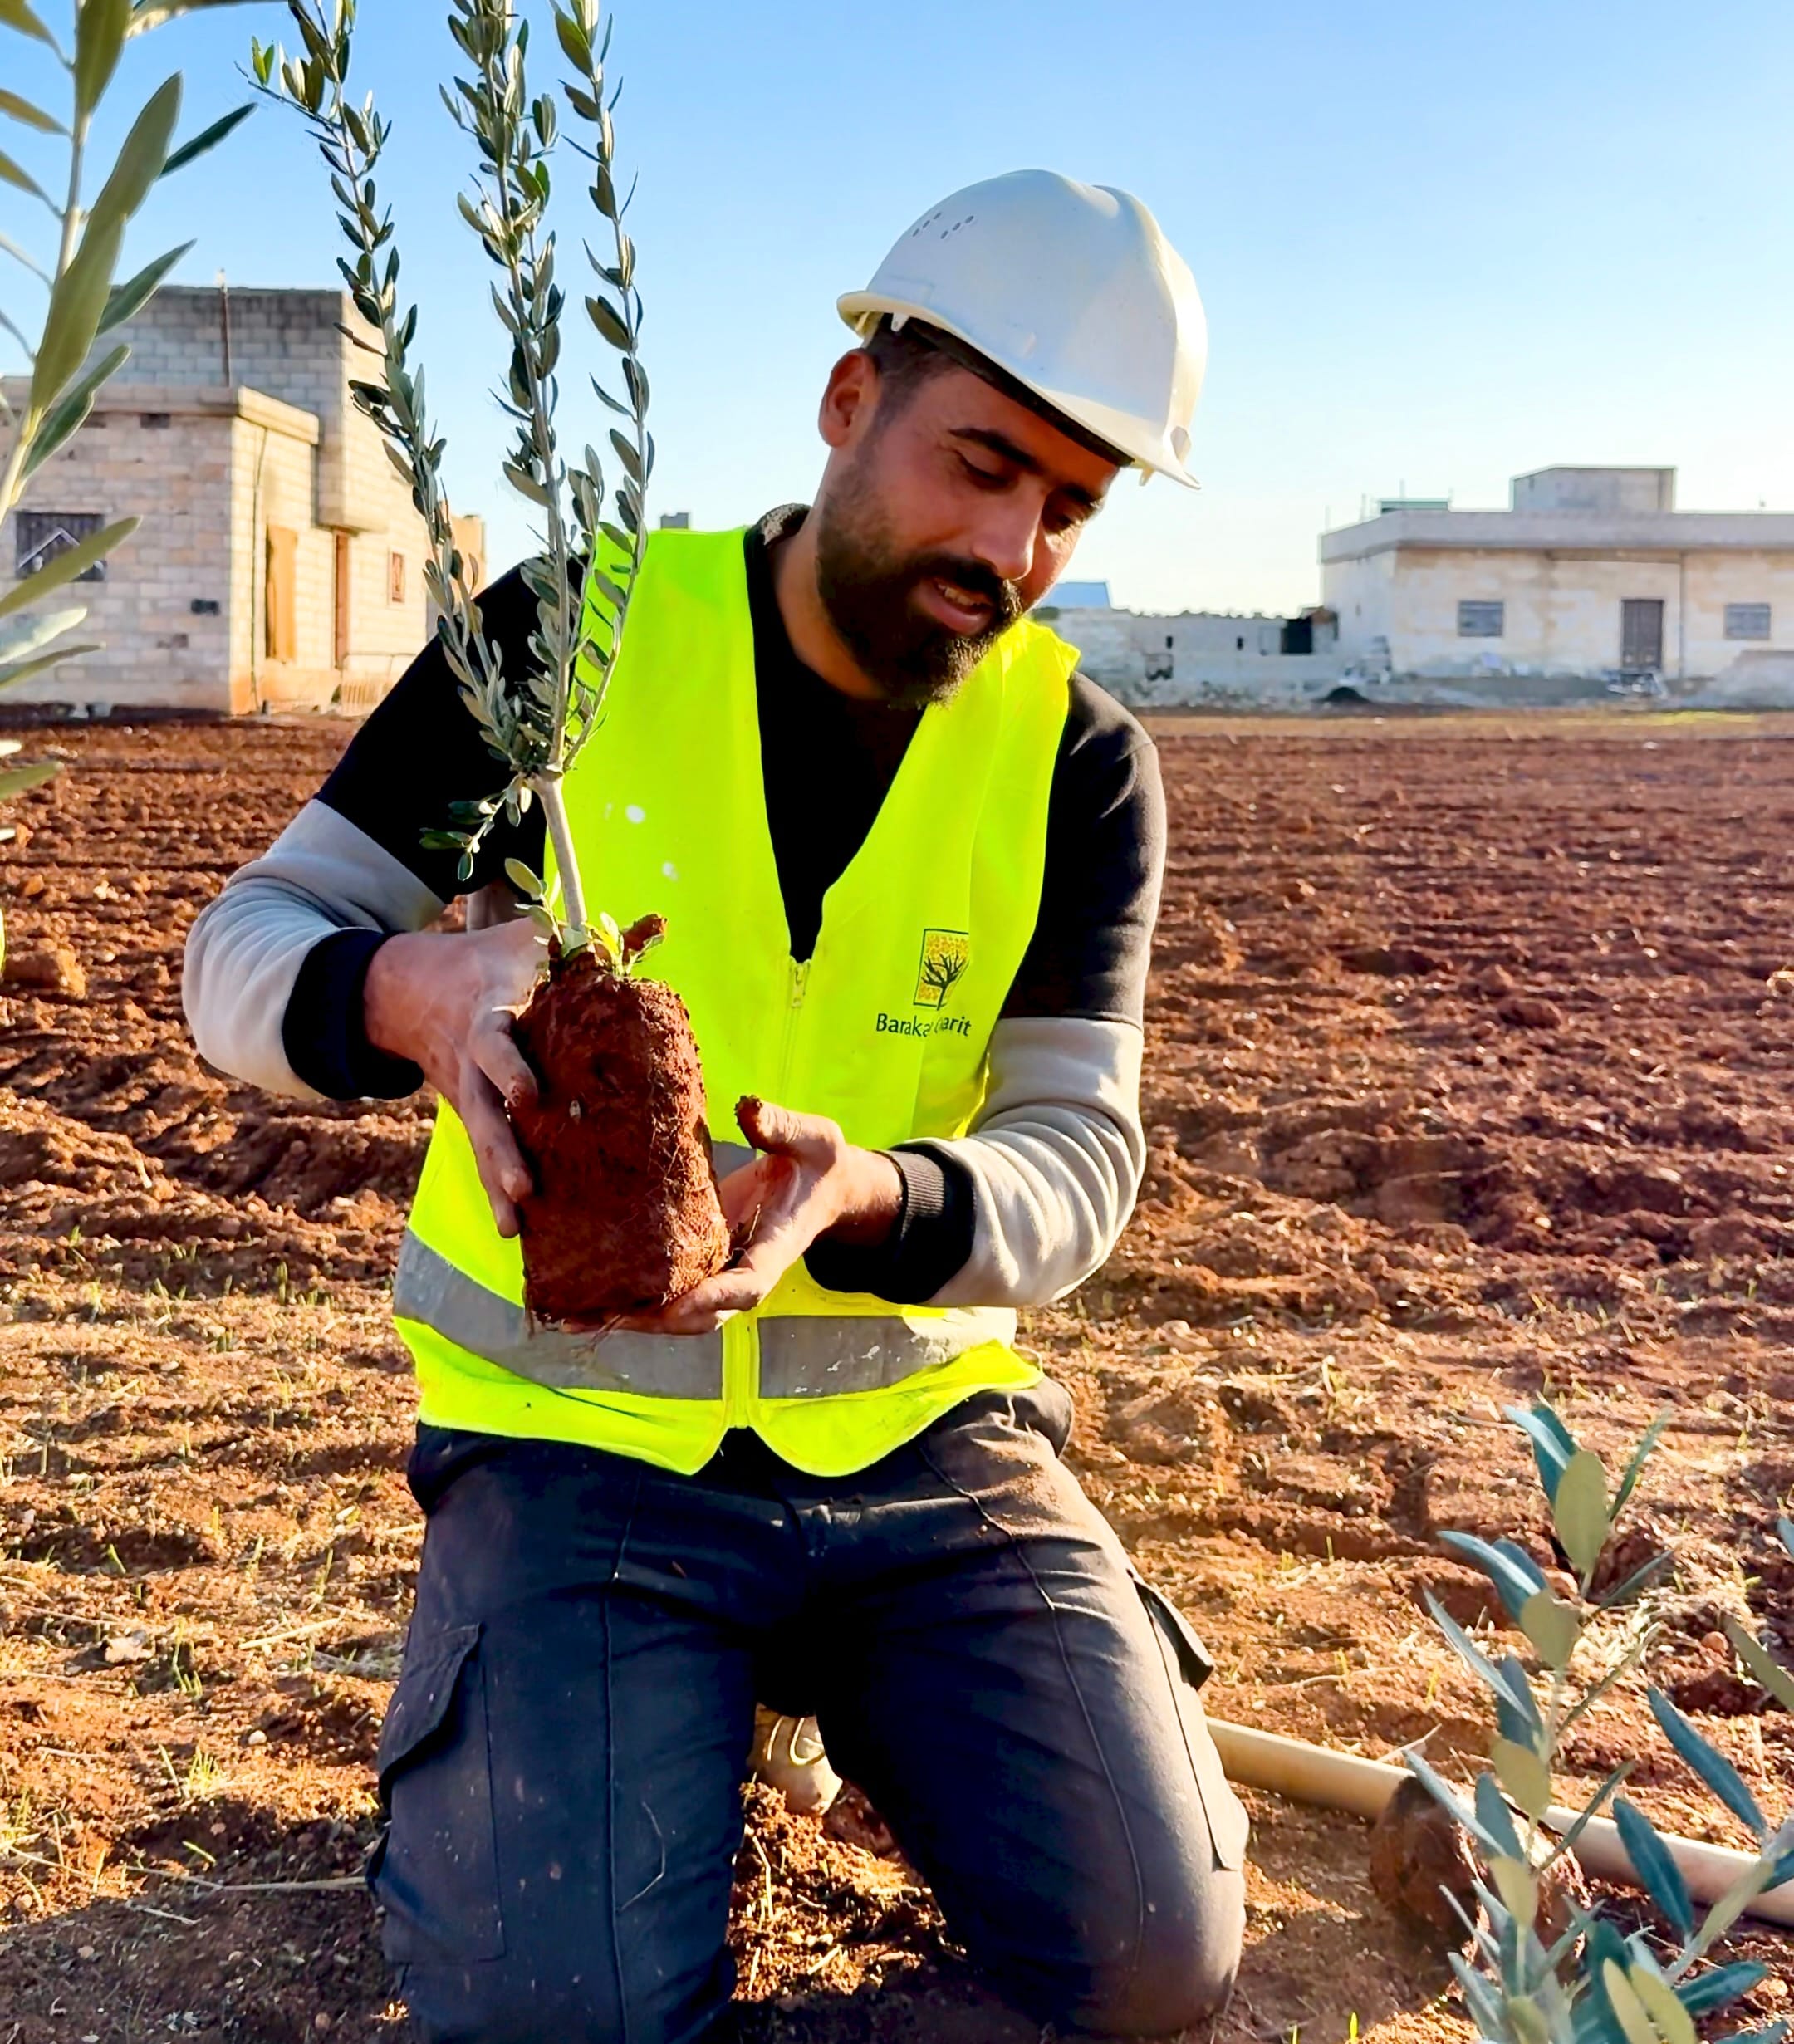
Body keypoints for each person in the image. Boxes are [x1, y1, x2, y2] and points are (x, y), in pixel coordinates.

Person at [184, 169, 1247, 2044]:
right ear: (852, 404)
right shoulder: (571, 645)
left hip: (922, 1441)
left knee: (1160, 1961)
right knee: (559, 2012)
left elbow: (1081, 1158)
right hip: (579, 1447)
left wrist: (877, 1202)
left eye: (1066, 509)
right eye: (980, 463)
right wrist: (403, 991)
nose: (1010, 546)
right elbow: (244, 949)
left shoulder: (1078, 760)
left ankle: (804, 1720)